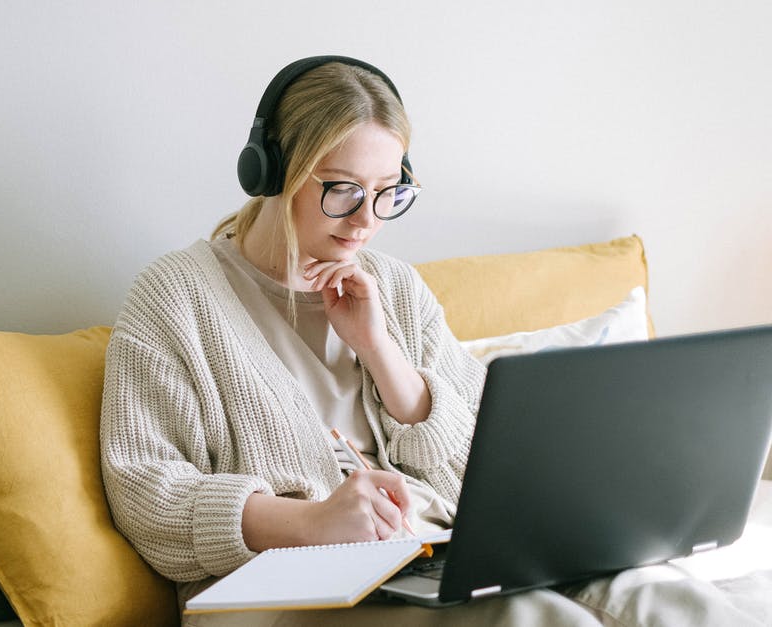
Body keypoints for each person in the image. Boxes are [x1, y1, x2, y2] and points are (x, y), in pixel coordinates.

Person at [99, 56, 766, 626]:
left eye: (390, 193)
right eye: (343, 191)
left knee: (659, 592)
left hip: (429, 555)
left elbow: (486, 467)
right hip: (284, 594)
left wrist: (385, 354)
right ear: (274, 172)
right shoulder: (176, 297)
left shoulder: (393, 285)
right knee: (535, 617)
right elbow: (148, 498)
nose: (367, 220)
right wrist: (309, 522)